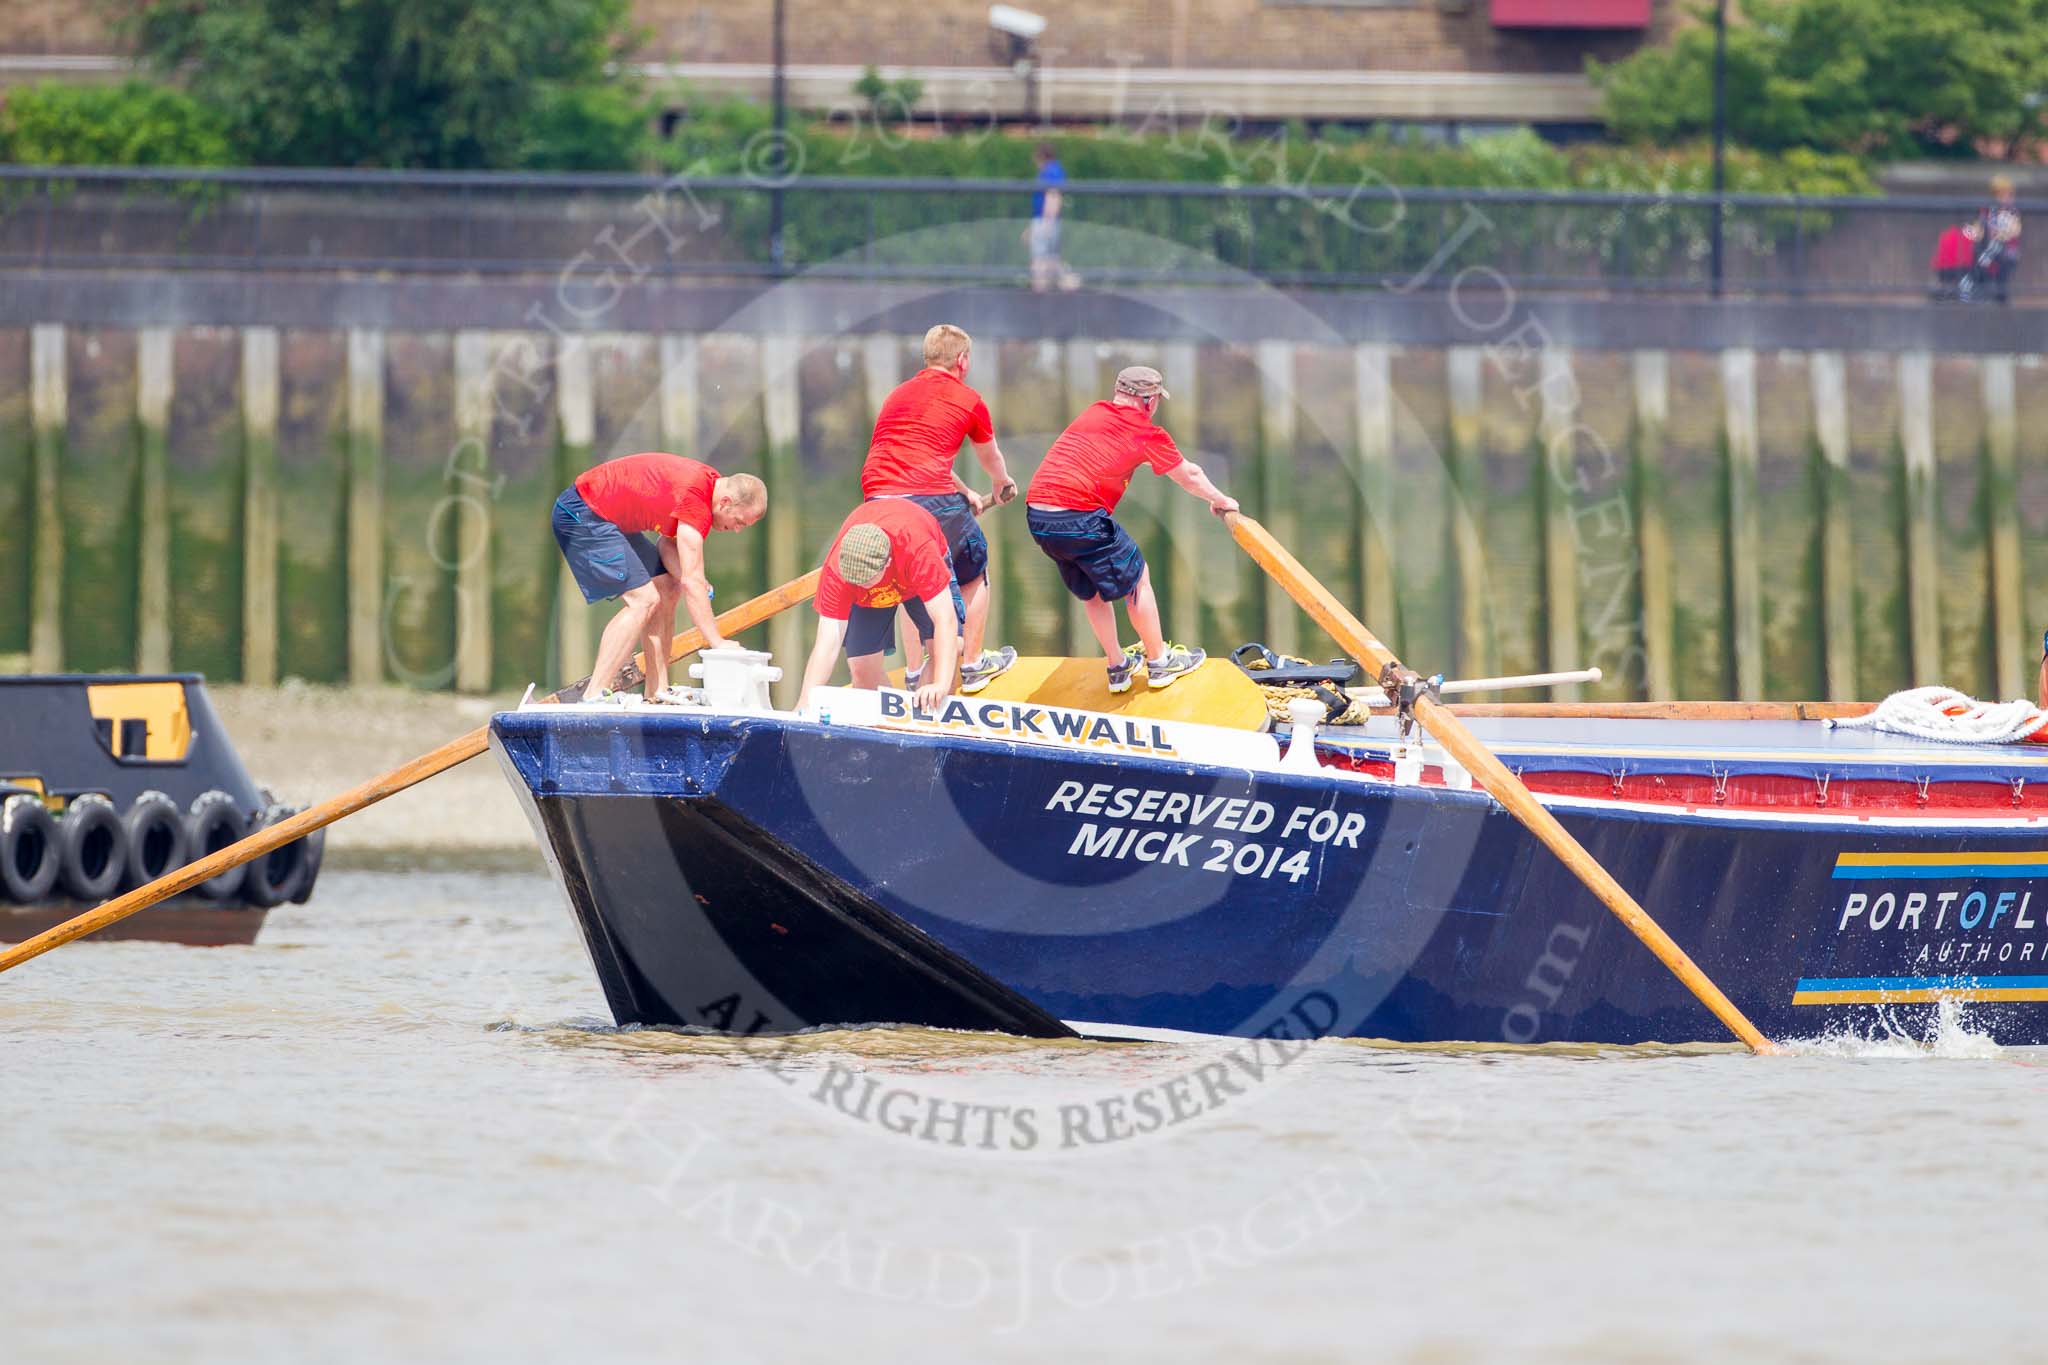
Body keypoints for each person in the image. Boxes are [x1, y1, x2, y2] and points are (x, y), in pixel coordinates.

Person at [1026, 366, 1237, 692]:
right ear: (1150, 400)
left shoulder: (1095, 411)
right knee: (1138, 578)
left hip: (1039, 515)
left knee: (1092, 589)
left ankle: (1118, 667)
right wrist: (1220, 499)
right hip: (1077, 514)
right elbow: (1189, 475)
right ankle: (1159, 663)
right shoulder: (1145, 430)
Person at [862, 323, 1019, 694]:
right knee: (974, 564)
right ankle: (973, 663)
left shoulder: (897, 395)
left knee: (910, 574)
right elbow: (989, 455)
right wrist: (1001, 483)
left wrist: (962, 493)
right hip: (925, 498)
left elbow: (911, 457)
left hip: (876, 499)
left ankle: (915, 671)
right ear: (962, 360)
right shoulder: (968, 399)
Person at [551, 452, 767, 702]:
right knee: (643, 600)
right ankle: (593, 694)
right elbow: (692, 582)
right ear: (726, 502)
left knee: (667, 587)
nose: (737, 530)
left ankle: (657, 690)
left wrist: (689, 578)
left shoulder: (709, 487)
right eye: (739, 521)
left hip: (609, 519)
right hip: (582, 513)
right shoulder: (697, 502)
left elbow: (667, 546)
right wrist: (717, 642)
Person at [796, 499, 962, 715]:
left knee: (950, 651)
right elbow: (827, 643)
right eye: (855, 581)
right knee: (862, 671)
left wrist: (939, 684)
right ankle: (890, 729)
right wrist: (806, 700)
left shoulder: (919, 552)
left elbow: (945, 620)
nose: (860, 585)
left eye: (866, 580)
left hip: (915, 572)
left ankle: (928, 721)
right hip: (876, 586)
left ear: (888, 563)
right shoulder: (838, 571)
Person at [1024, 141, 1080, 293]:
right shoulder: (1052, 170)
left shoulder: (1051, 171)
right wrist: (1031, 229)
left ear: (1041, 156)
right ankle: (1069, 282)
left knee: (1040, 261)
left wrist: (1047, 223)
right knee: (1050, 258)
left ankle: (1041, 294)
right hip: (1045, 221)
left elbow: (1053, 196)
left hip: (1046, 221)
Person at [1964, 174, 2024, 304]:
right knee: (1980, 256)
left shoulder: (2012, 211)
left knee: (1997, 260)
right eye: (2003, 194)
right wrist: (1972, 231)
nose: (2008, 197)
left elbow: (2013, 231)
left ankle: (1999, 297)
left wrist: (1998, 233)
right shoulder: (1987, 210)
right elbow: (1975, 231)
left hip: (2006, 252)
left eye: (2010, 194)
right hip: (1987, 250)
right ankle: (1979, 294)